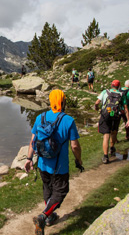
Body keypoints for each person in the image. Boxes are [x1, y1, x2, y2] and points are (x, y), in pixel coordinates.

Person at [24, 89, 82, 235]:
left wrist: (29, 159)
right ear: (63, 101)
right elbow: (74, 146)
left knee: (47, 188)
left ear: (50, 101)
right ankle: (43, 217)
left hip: (43, 163)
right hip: (60, 166)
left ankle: (49, 217)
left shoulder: (40, 117)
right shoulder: (68, 120)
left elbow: (33, 141)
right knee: (61, 190)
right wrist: (78, 160)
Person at [95, 80, 129, 164]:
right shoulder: (121, 94)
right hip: (116, 116)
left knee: (106, 135)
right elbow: (125, 109)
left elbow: (97, 102)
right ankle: (112, 147)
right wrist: (128, 120)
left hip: (105, 115)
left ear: (111, 85)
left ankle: (105, 156)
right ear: (119, 86)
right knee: (114, 132)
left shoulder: (105, 91)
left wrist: (96, 107)